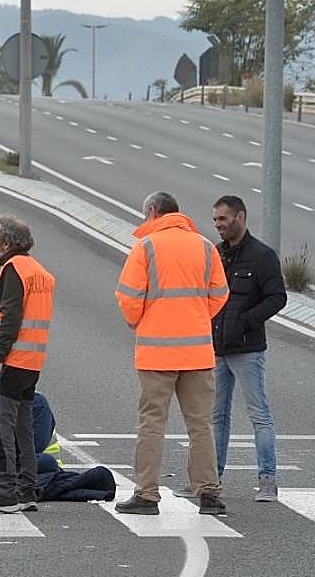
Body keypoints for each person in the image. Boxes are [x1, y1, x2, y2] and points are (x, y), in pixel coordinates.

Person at [114, 191, 229, 516]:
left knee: (152, 424)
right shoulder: (205, 246)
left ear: (152, 212)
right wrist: (194, 317)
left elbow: (128, 297)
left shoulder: (146, 247)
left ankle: (147, 495)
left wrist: (143, 321)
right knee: (201, 425)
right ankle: (209, 493)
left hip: (156, 353)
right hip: (197, 353)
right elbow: (220, 294)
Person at [0, 215, 56, 515]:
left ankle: (4, 490)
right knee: (23, 428)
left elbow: (10, 319)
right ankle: (26, 490)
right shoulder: (39, 271)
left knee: (0, 425)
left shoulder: (13, 270)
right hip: (32, 362)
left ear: (6, 242)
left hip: (11, 360)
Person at [211, 194, 286, 502]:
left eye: (223, 219)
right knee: (216, 415)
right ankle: (210, 478)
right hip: (216, 349)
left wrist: (244, 321)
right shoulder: (216, 254)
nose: (218, 225)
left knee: (259, 414)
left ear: (240, 218)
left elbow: (277, 297)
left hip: (247, 349)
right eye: (215, 219)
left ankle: (267, 479)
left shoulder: (262, 256)